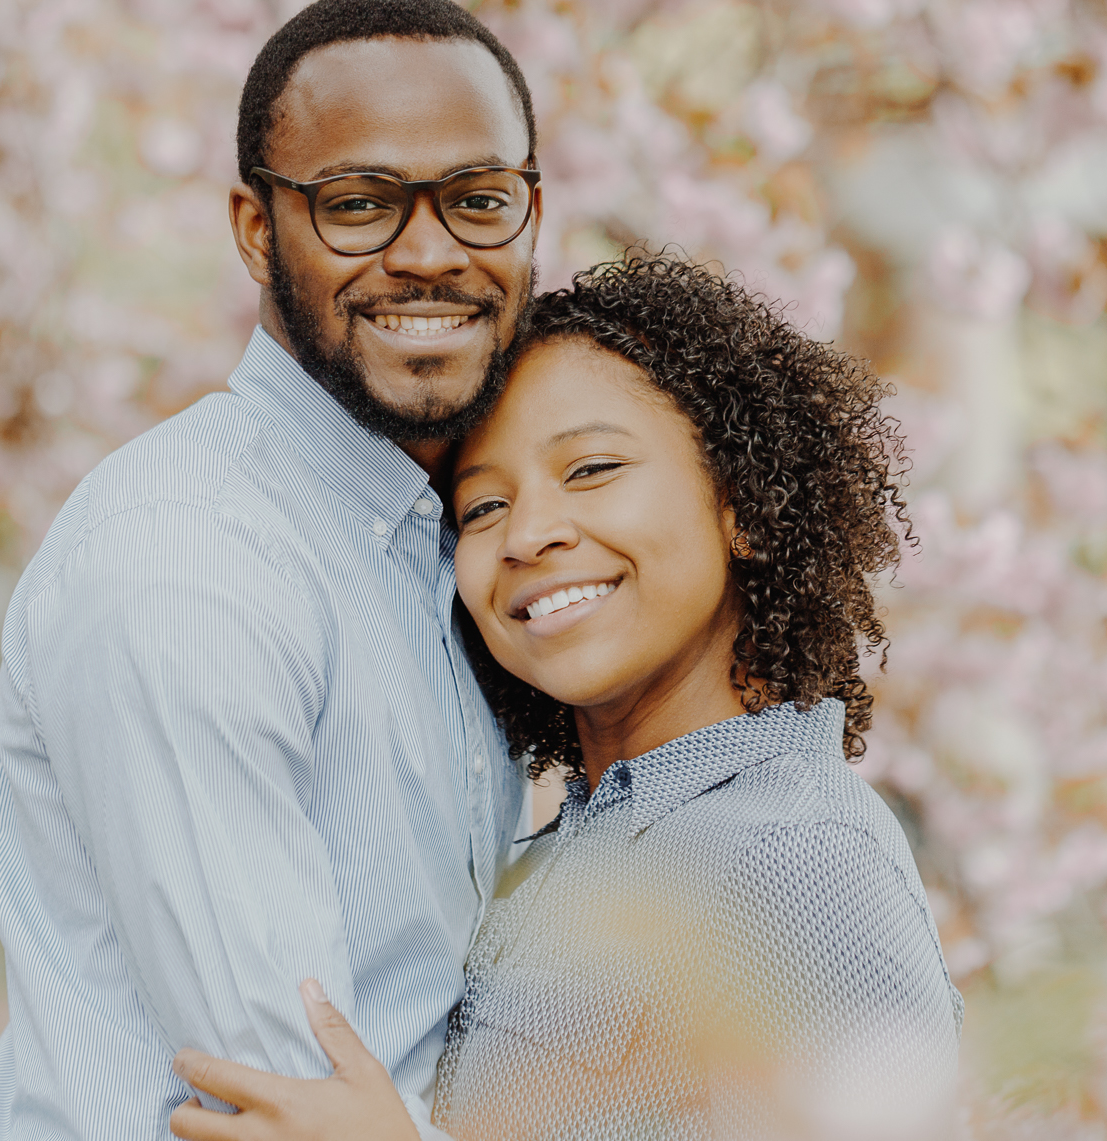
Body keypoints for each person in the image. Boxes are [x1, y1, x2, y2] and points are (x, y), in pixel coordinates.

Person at [169, 256, 964, 1141]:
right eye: (481, 507)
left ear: (738, 498)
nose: (529, 533)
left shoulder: (797, 857)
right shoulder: (557, 849)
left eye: (590, 469)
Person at [0, 0, 544, 1140]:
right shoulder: (189, 565)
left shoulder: (450, 540)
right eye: (359, 204)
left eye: (479, 199)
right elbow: (286, 1099)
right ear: (254, 229)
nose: (429, 254)